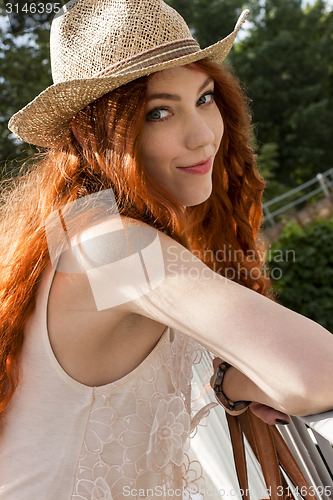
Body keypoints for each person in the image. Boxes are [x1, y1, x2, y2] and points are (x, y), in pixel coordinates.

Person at [1, 0, 333, 498]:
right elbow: (319, 373)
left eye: (203, 98)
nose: (202, 136)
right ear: (90, 134)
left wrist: (230, 384)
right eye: (159, 112)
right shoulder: (108, 245)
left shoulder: (87, 232)